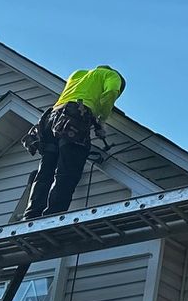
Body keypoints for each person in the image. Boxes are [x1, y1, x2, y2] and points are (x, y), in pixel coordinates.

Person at [18, 65, 126, 221]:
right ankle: (53, 215)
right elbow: (110, 93)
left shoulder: (78, 74)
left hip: (50, 120)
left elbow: (78, 97)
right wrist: (101, 120)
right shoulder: (112, 76)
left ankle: (31, 214)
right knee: (67, 170)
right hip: (74, 120)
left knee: (46, 171)